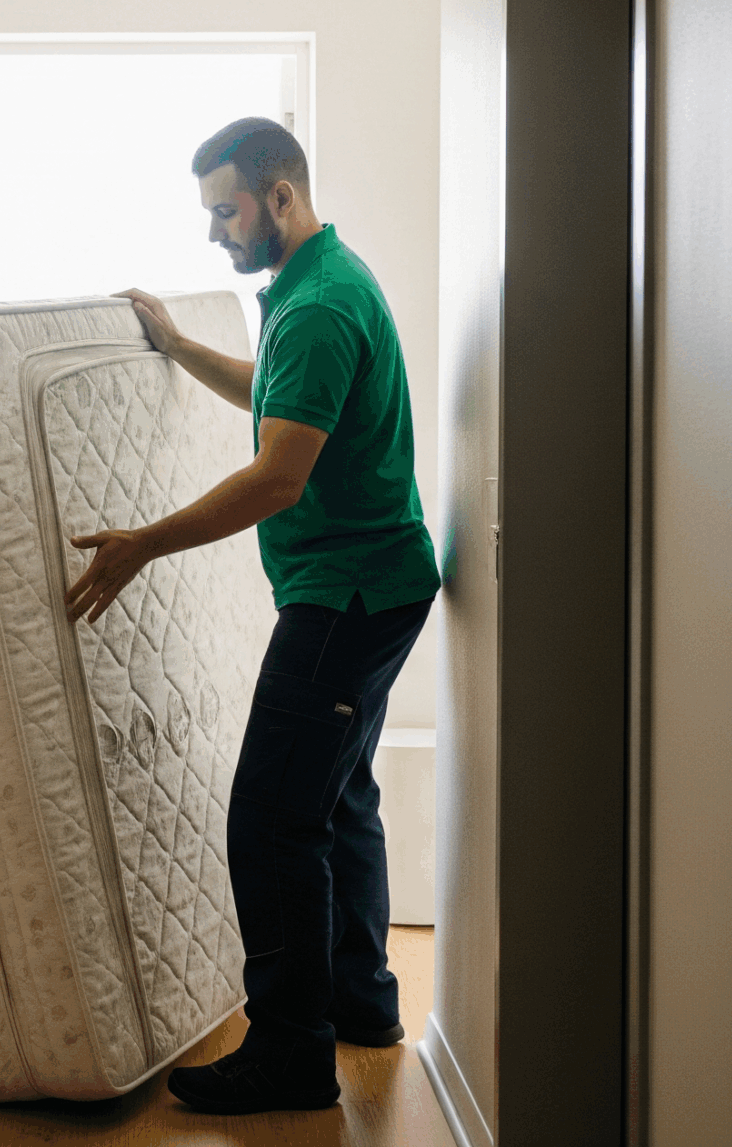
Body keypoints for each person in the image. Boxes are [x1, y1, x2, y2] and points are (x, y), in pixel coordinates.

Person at [65, 117, 439, 1115]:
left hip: (345, 593)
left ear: (280, 197)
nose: (214, 234)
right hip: (379, 580)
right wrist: (185, 346)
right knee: (337, 799)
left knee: (270, 820)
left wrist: (142, 541)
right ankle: (362, 1002)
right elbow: (280, 403)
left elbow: (278, 475)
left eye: (224, 211)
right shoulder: (314, 289)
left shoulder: (318, 307)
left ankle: (289, 1054)